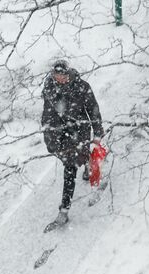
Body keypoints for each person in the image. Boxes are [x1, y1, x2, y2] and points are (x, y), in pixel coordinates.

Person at [41, 59, 103, 230]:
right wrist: (49, 138)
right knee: (71, 163)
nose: (59, 78)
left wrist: (97, 133)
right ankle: (87, 165)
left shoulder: (82, 86)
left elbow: (93, 110)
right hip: (62, 135)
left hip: (80, 130)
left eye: (62, 75)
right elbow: (47, 116)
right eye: (56, 75)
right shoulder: (50, 90)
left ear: (68, 73)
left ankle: (64, 211)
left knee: (70, 169)